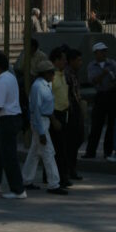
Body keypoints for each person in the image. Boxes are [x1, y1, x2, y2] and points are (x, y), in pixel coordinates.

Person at [0, 50, 26, 199]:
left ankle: (18, 189)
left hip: (6, 119)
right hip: (12, 117)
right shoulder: (10, 77)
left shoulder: (1, 80)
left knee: (9, 156)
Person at [22, 54, 66, 194]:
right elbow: (35, 111)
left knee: (34, 153)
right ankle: (54, 184)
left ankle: (26, 179)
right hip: (40, 122)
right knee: (48, 153)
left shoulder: (45, 85)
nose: (53, 74)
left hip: (44, 121)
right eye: (51, 72)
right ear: (45, 73)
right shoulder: (38, 87)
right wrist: (41, 132)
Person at [84, 42, 116, 159]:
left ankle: (108, 151)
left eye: (105, 51)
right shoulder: (92, 66)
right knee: (96, 125)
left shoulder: (113, 63)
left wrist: (112, 85)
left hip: (111, 95)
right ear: (96, 53)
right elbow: (93, 81)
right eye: (101, 51)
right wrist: (104, 74)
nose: (104, 53)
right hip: (100, 95)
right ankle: (90, 151)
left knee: (112, 125)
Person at [49, 47, 72, 187]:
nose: (65, 62)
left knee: (62, 147)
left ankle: (59, 175)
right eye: (63, 59)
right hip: (55, 114)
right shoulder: (52, 77)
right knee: (58, 149)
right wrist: (53, 118)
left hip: (64, 113)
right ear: (56, 60)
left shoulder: (63, 75)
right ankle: (60, 177)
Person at [65, 48, 85, 180]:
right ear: (71, 61)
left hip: (76, 109)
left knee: (78, 138)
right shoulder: (67, 74)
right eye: (78, 60)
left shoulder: (74, 73)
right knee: (71, 141)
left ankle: (71, 168)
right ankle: (69, 169)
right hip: (70, 110)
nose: (81, 63)